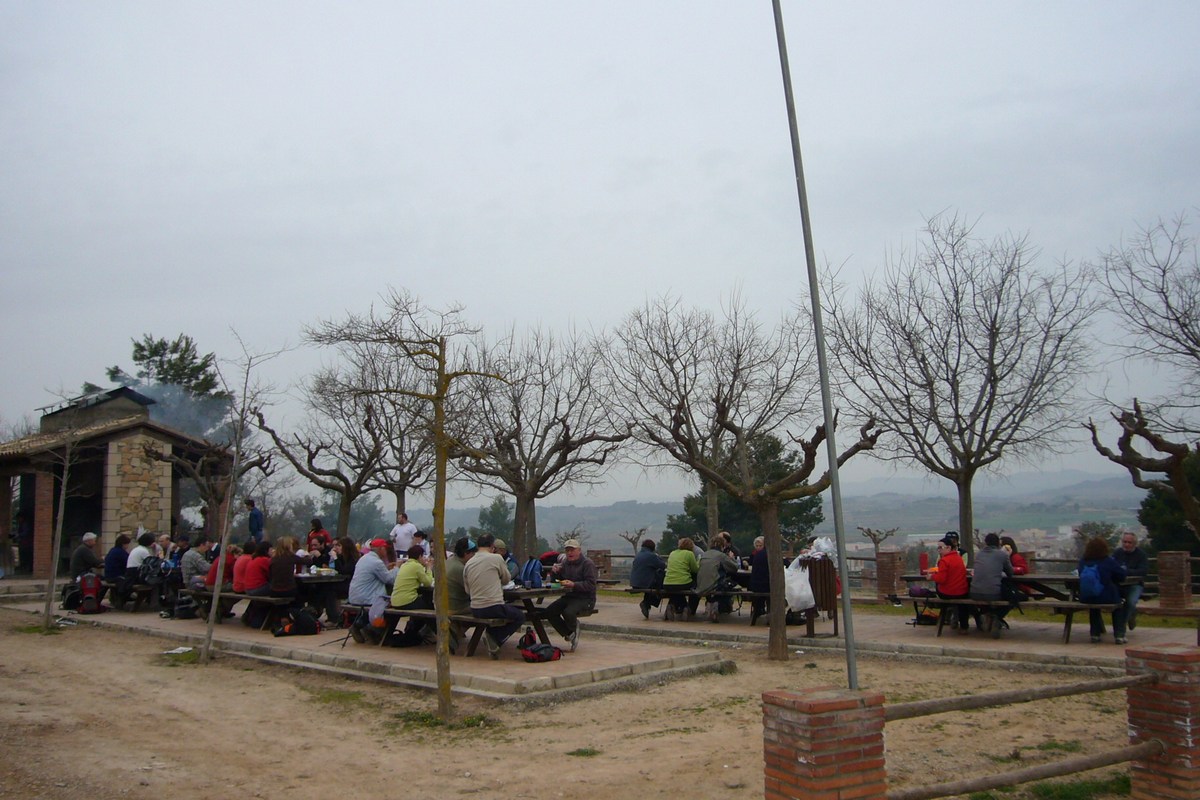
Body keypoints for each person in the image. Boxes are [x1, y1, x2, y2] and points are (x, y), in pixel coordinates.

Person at [463, 533, 525, 657]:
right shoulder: (496, 558)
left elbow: (467, 590)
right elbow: (506, 579)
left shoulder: (469, 563)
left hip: (475, 608)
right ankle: (495, 637)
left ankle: (492, 637)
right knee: (520, 616)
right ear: (492, 546)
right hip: (493, 606)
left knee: (505, 613)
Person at [546, 538, 597, 652]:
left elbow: (591, 585)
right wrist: (555, 573)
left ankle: (574, 630)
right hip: (568, 596)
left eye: (572, 550)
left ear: (579, 550)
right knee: (549, 611)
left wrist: (574, 584)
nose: (570, 553)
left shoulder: (587, 564)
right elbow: (557, 583)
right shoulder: (565, 563)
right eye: (567, 550)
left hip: (585, 598)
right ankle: (569, 633)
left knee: (568, 612)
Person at [347, 538, 399, 644]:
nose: (386, 551)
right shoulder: (376, 562)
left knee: (379, 604)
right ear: (381, 549)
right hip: (366, 597)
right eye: (385, 549)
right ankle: (374, 630)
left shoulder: (364, 558)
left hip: (355, 596)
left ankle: (359, 625)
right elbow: (389, 579)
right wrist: (397, 568)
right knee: (392, 606)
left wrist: (386, 568)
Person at [1078, 536, 1128, 644]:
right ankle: (1119, 635)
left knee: (1094, 607)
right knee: (1119, 606)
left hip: (1086, 597)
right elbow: (1122, 576)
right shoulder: (1108, 561)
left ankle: (1095, 634)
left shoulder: (1083, 561)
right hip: (1106, 596)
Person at [388, 545, 436, 646]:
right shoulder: (416, 566)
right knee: (431, 604)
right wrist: (429, 568)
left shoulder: (405, 565)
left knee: (425, 603)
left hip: (395, 600)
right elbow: (428, 582)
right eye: (423, 556)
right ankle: (430, 632)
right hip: (406, 601)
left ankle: (416, 631)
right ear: (419, 556)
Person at [969, 533, 1014, 638]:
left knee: (986, 594)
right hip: (993, 593)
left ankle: (986, 614)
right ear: (998, 543)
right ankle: (997, 617)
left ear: (986, 543)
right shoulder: (1002, 555)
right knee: (1012, 599)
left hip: (974, 592)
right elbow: (1010, 572)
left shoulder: (979, 554)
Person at [925, 533, 970, 634]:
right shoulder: (959, 558)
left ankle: (948, 616)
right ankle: (964, 626)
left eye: (940, 547)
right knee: (963, 605)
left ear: (948, 547)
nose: (939, 550)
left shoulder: (944, 561)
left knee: (938, 588)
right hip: (962, 592)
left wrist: (931, 577)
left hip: (948, 593)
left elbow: (941, 579)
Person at [1112, 532, 1149, 632]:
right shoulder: (1117, 553)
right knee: (1111, 601)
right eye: (1125, 542)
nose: (1126, 544)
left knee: (1131, 602)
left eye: (1129, 542)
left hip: (1135, 584)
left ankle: (1121, 626)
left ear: (1134, 543)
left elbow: (1143, 571)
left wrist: (1126, 571)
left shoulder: (1141, 555)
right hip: (1119, 584)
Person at [697, 534, 740, 617]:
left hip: (701, 585)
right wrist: (731, 557)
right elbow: (735, 568)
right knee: (730, 585)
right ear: (722, 546)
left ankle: (711, 603)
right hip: (715, 585)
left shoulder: (705, 554)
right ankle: (719, 605)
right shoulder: (721, 555)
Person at [663, 537, 700, 621]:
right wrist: (698, 562)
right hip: (682, 583)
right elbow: (695, 570)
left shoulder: (672, 553)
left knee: (677, 591)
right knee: (694, 585)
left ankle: (672, 605)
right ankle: (688, 608)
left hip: (667, 583)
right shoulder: (689, 554)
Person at [630, 539, 666, 619]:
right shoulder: (652, 556)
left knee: (653, 584)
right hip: (645, 583)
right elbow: (662, 565)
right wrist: (658, 557)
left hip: (635, 583)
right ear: (652, 548)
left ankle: (646, 604)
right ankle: (646, 603)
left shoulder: (638, 555)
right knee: (660, 584)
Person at [447, 536, 477, 616]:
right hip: (454, 608)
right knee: (483, 608)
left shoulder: (449, 561)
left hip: (439, 606)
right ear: (466, 553)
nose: (474, 556)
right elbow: (472, 590)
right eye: (473, 553)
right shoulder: (461, 568)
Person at [748, 536, 770, 625]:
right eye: (756, 546)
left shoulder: (757, 555)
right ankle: (766, 612)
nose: (758, 547)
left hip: (755, 585)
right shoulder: (769, 554)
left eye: (760, 545)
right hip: (766, 585)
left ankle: (758, 610)